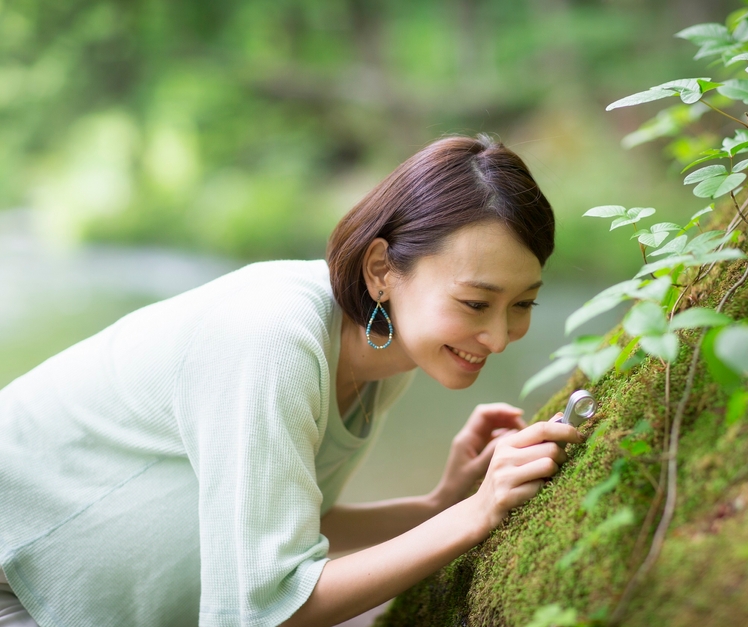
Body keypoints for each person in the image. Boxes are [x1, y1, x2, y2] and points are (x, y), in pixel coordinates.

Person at [0, 134, 582, 627]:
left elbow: (277, 525)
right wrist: (474, 514)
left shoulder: (388, 353)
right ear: (382, 270)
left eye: (524, 304)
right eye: (476, 303)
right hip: (20, 578)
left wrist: (441, 503)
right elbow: (266, 605)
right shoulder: (272, 335)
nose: (501, 337)